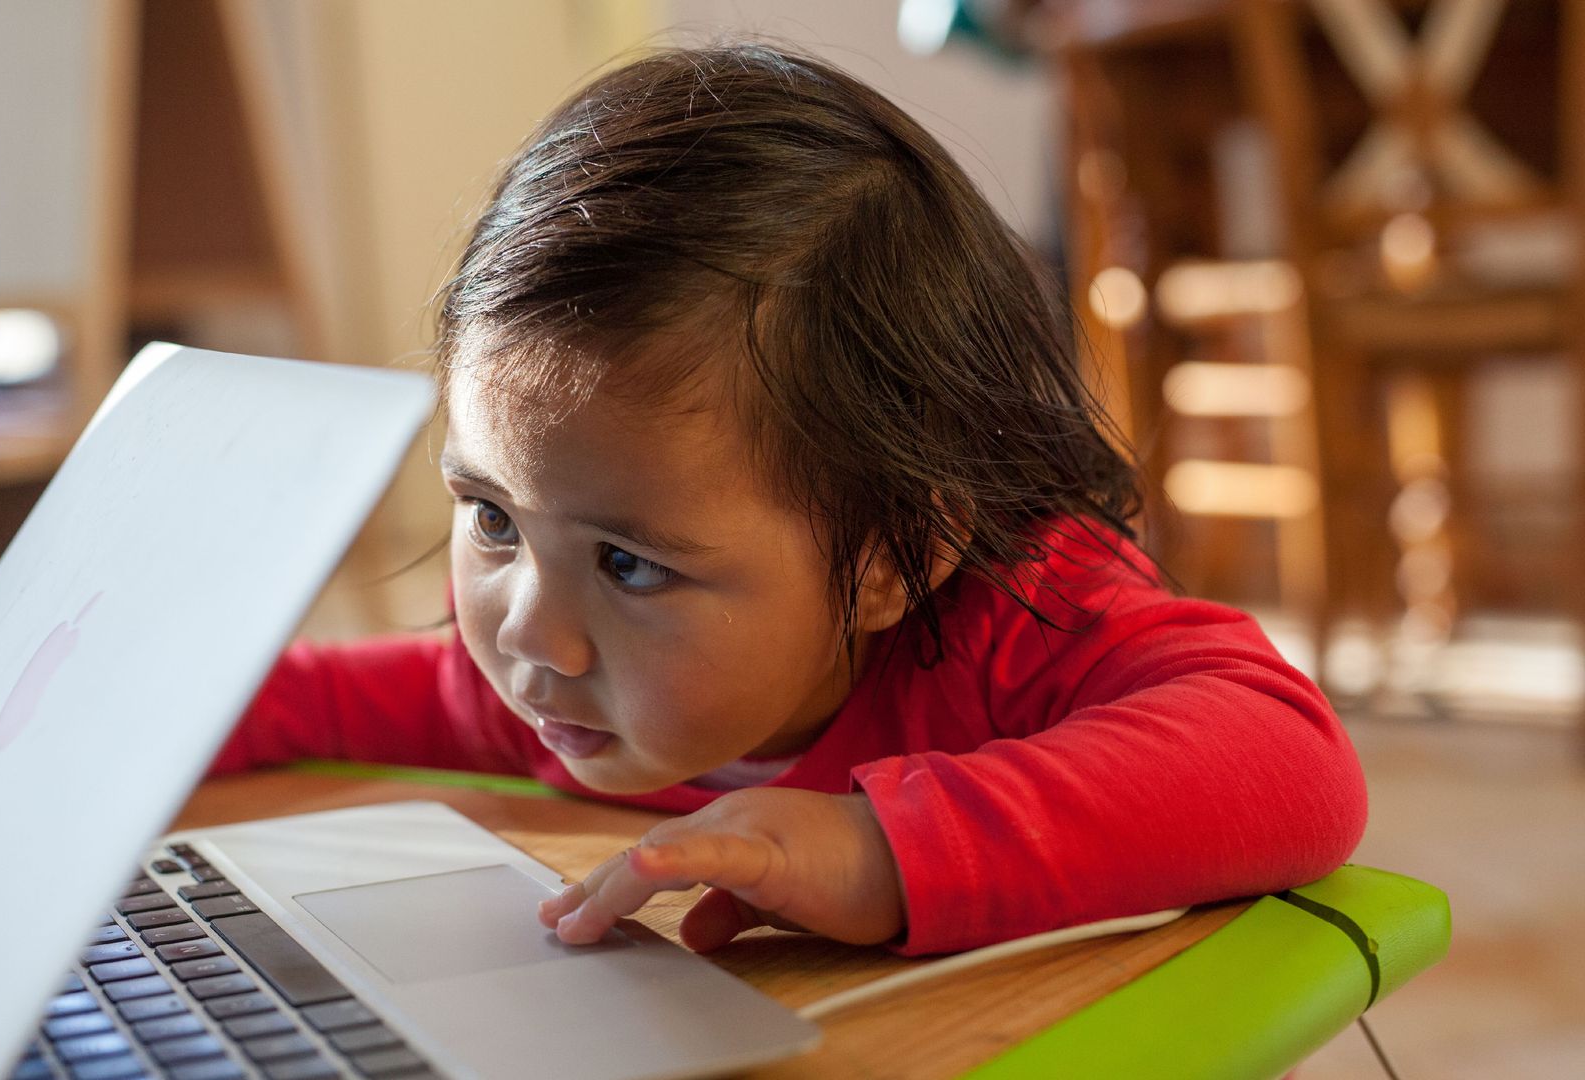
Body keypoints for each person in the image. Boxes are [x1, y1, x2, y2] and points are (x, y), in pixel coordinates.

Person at [208, 43, 1367, 958]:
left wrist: (880, 850)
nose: (527, 632)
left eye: (626, 564)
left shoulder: (1019, 624)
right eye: (494, 519)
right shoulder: (546, 681)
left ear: (891, 555)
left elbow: (1291, 760)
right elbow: (276, 700)